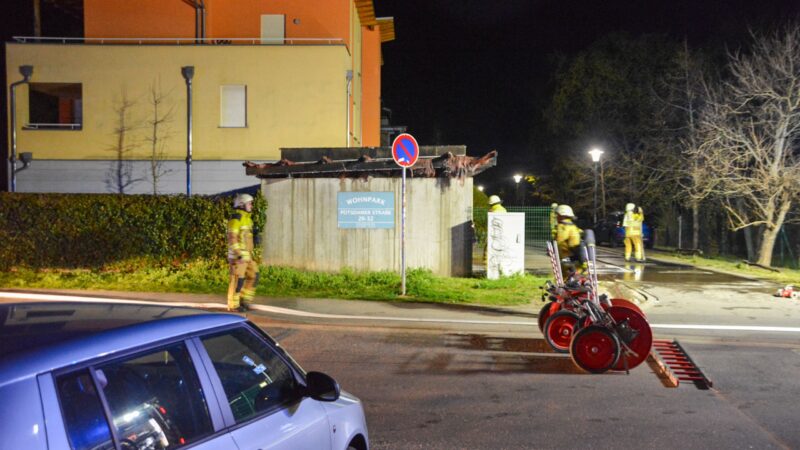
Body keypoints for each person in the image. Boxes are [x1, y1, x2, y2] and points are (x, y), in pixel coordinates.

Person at [227, 193, 260, 312]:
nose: (251, 205)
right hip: (238, 257)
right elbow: (232, 238)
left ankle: (244, 301)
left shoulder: (248, 219)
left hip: (247, 256)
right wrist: (238, 254)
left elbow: (246, 238)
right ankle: (234, 305)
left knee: (254, 276)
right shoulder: (236, 218)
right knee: (237, 281)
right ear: (242, 204)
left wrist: (255, 237)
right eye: (249, 203)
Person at [554, 204, 584, 275]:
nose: (556, 217)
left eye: (557, 215)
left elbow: (560, 244)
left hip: (569, 264)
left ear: (562, 215)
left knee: (566, 282)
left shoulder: (563, 228)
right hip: (576, 264)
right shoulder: (574, 227)